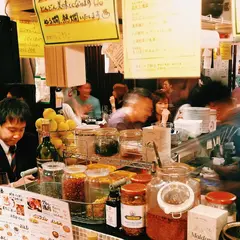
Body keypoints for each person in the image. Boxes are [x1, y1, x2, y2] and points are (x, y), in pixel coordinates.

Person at [0, 98, 37, 187]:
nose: (17, 135)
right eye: (12, 130)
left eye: (21, 129)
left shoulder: (29, 141)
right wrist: (14, 185)